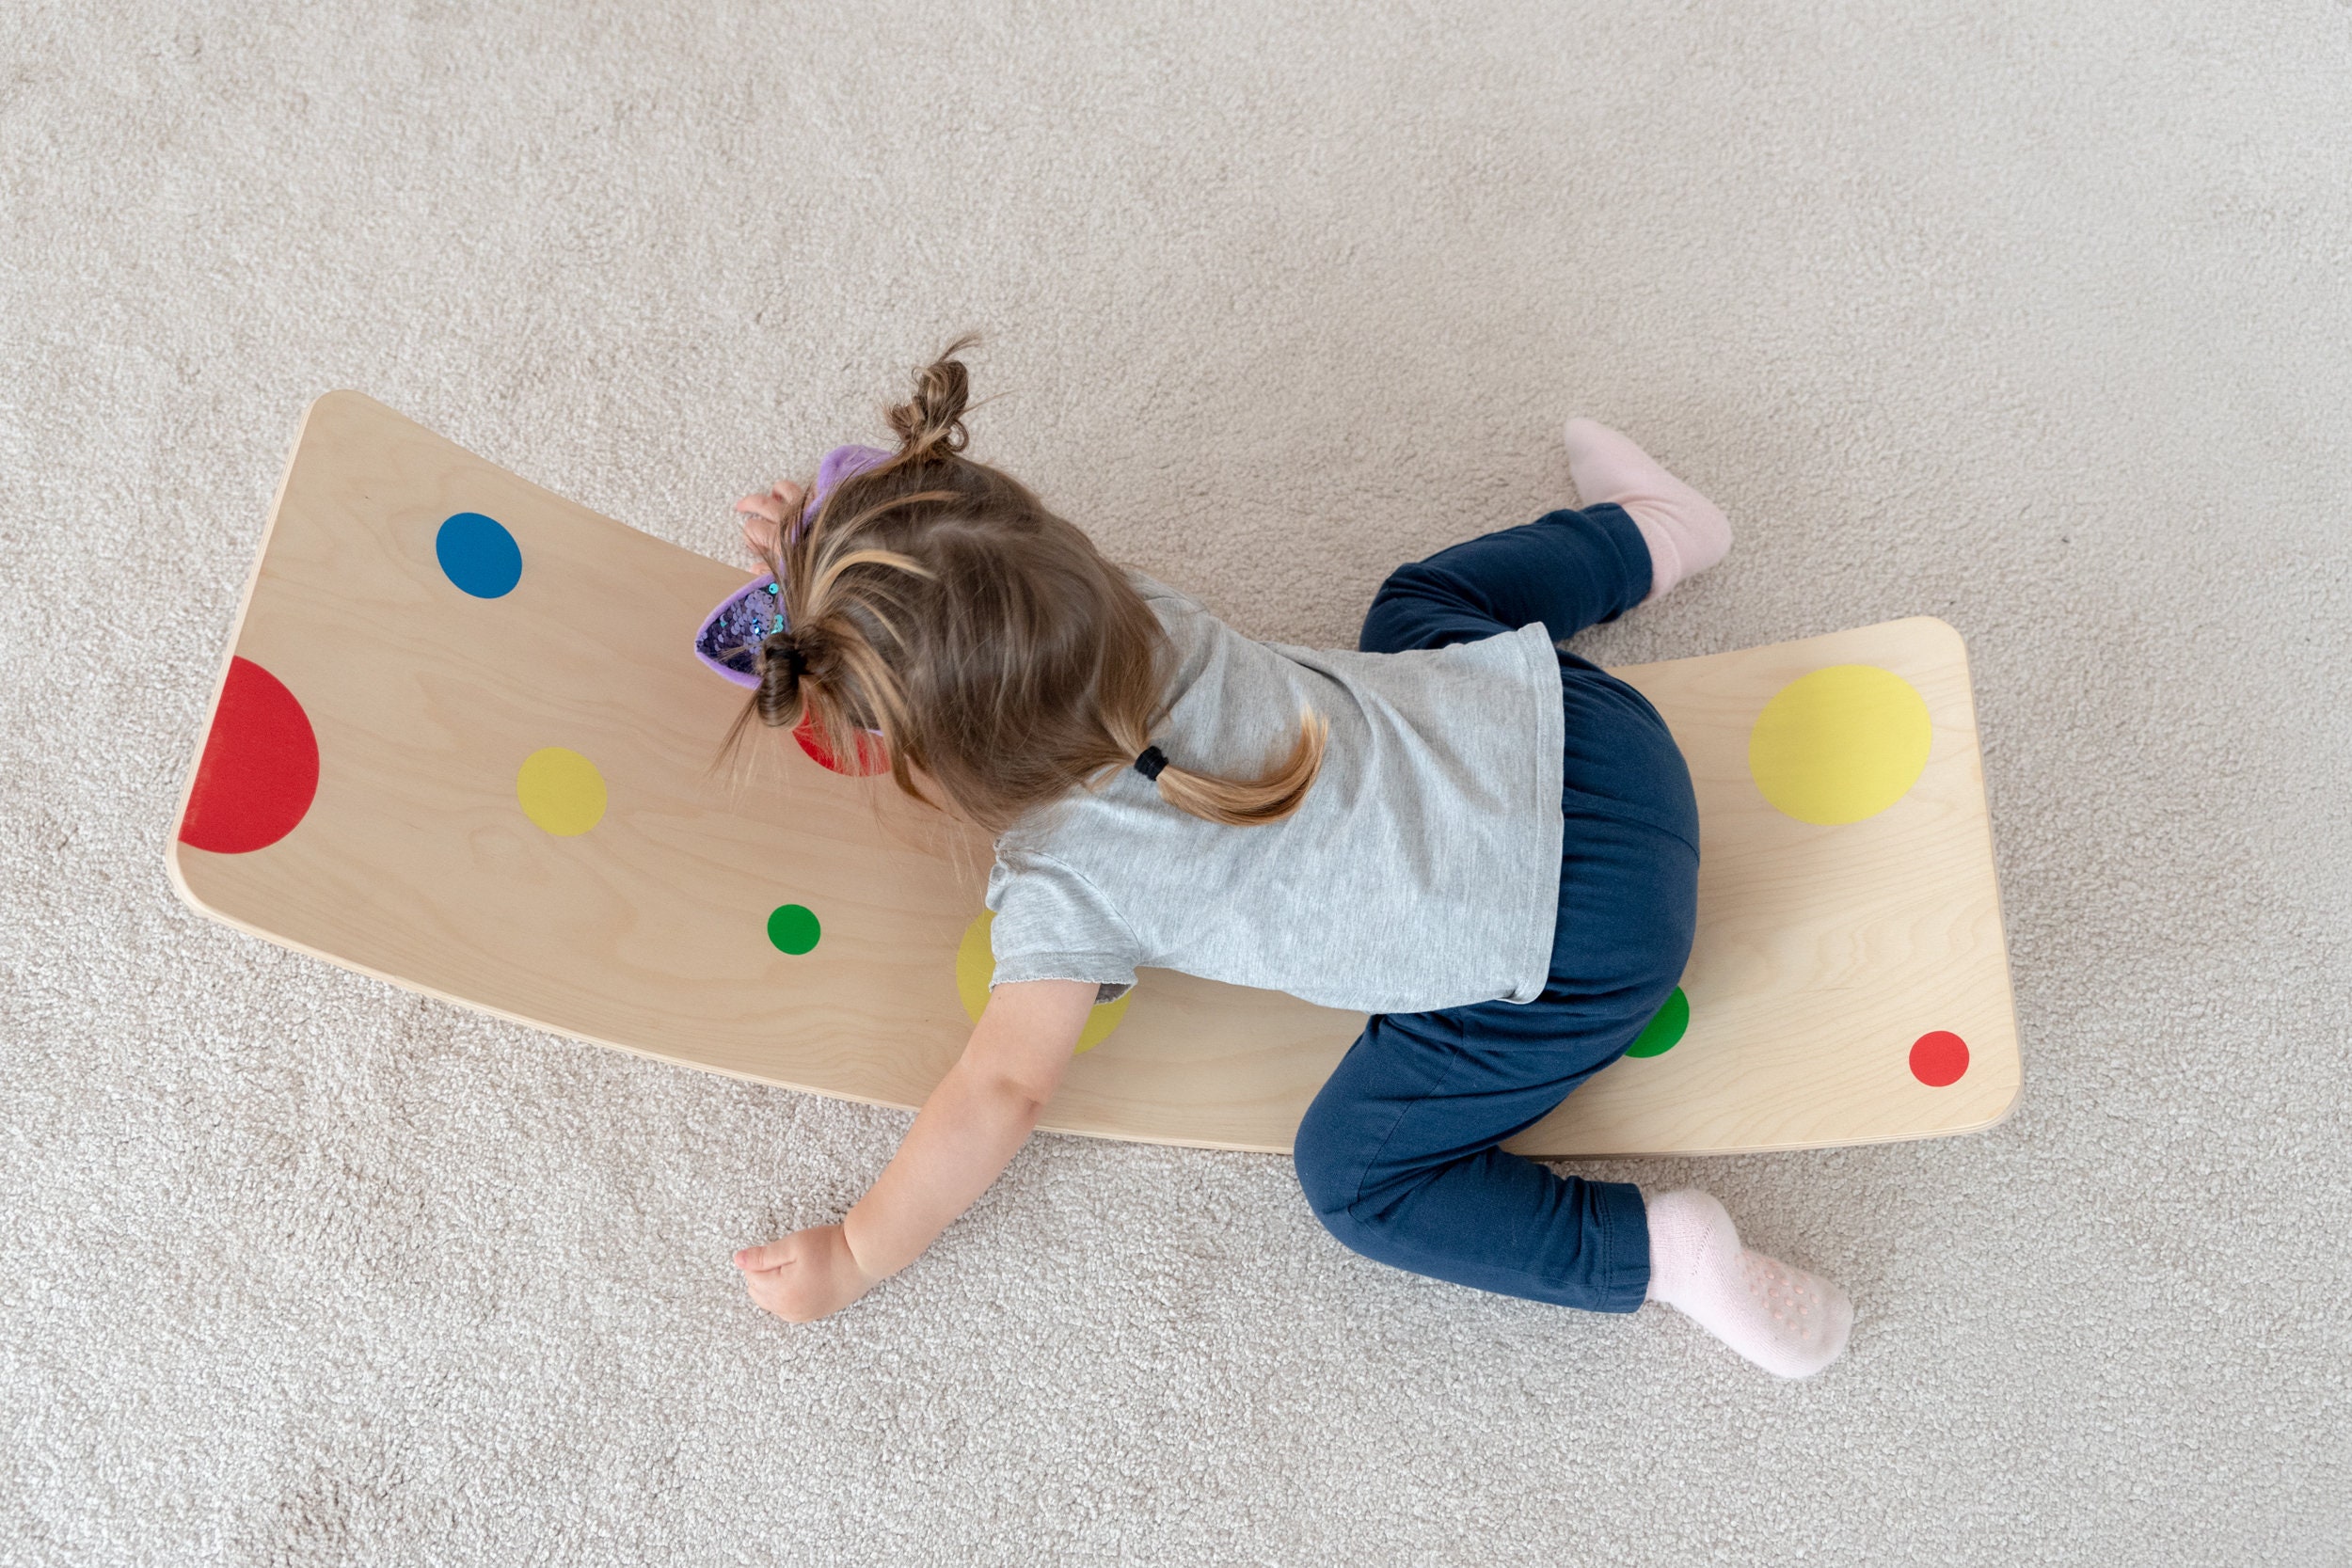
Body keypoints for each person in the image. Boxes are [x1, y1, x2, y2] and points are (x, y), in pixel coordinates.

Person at [723, 341, 1851, 1378]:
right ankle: (1653, 529)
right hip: (1595, 735)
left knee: (1356, 1178)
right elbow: (960, 549)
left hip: (1588, 953)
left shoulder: (1058, 884)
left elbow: (1000, 1089)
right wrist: (822, 539)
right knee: (1420, 608)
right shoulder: (1140, 613)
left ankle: (1657, 1251)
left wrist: (857, 1252)